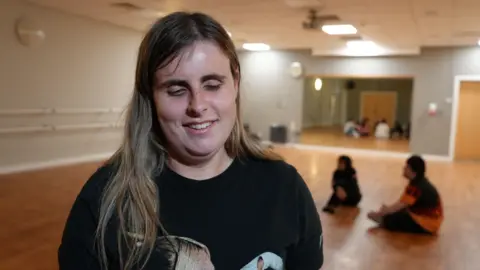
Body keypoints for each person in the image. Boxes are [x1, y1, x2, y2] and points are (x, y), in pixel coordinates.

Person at [57, 12, 323, 270]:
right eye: (176, 90)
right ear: (150, 97)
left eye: (212, 85)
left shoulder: (284, 187)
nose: (198, 105)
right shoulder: (105, 198)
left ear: (235, 83)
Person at [367, 155, 443, 234]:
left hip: (427, 224)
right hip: (427, 219)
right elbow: (403, 203)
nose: (404, 169)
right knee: (398, 214)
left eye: (407, 167)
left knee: (396, 219)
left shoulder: (416, 187)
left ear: (413, 171)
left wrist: (384, 211)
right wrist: (388, 209)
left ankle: (383, 221)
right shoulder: (419, 183)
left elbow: (402, 204)